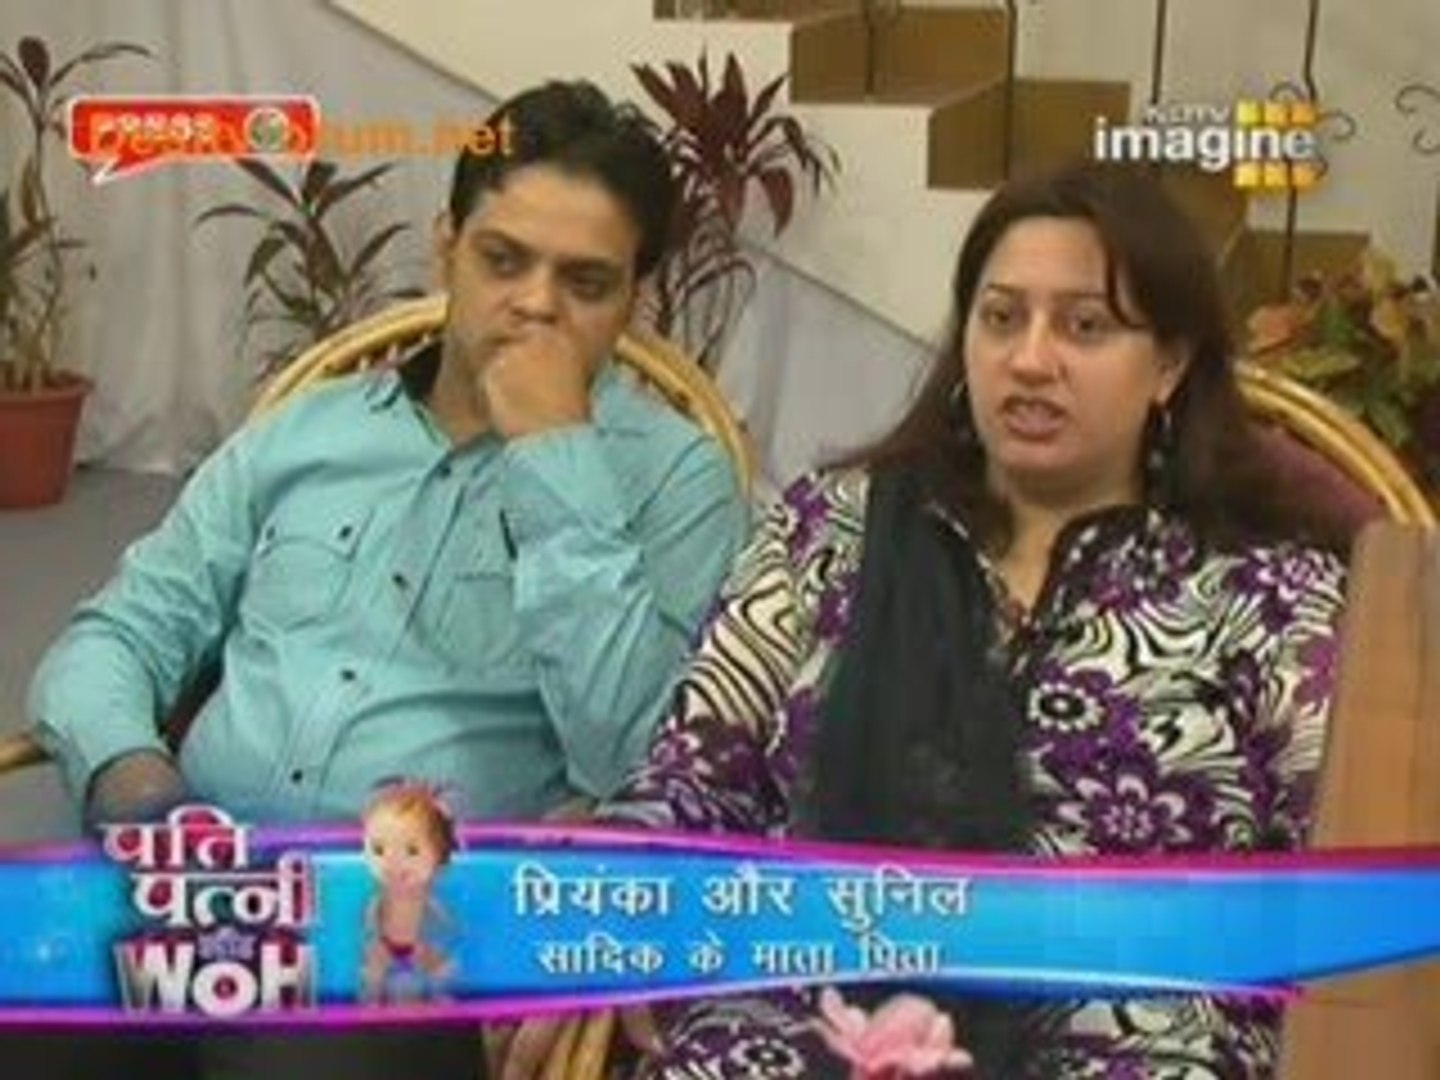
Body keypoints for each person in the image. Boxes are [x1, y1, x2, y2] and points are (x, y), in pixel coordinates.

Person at [504, 161, 1351, 1078]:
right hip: (803, 1008)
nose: (1030, 359)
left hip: (1131, 1036)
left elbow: (1347, 873)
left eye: (1085, 326)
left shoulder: (1267, 592)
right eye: (1001, 317)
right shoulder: (830, 530)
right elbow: (698, 769)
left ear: (1171, 365)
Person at [22, 80, 748, 1080]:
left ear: (636, 298)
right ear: (446, 247)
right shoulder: (309, 431)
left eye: (585, 282)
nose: (535, 303)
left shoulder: (675, 479)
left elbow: (640, 753)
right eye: (503, 259)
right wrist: (142, 791)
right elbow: (118, 633)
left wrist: (555, 455)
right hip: (189, 875)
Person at [359, 779, 460, 1004]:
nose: (393, 863)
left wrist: (431, 949)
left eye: (412, 851)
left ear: (439, 858)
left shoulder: (433, 906)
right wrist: (376, 947)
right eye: (378, 850)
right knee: (371, 975)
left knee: (441, 974)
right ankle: (372, 1006)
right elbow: (369, 924)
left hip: (424, 953)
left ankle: (438, 1003)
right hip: (385, 951)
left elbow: (447, 928)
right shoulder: (376, 903)